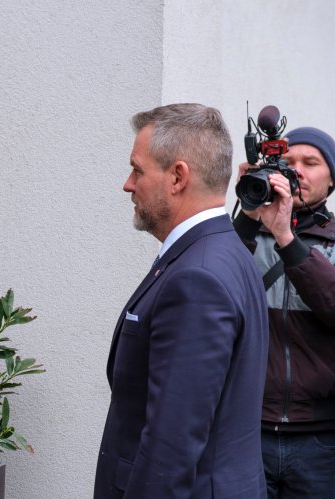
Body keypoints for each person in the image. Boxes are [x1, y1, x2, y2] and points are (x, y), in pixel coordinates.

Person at [94, 103, 269, 498]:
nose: (128, 184)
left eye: (138, 170)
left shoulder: (197, 277)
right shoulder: (224, 251)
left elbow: (169, 448)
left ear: (177, 177)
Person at [233, 126, 335, 498]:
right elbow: (215, 294)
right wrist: (247, 216)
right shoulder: (244, 238)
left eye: (311, 162)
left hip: (321, 439)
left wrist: (286, 239)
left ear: (332, 180)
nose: (297, 171)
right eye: (288, 162)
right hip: (248, 430)